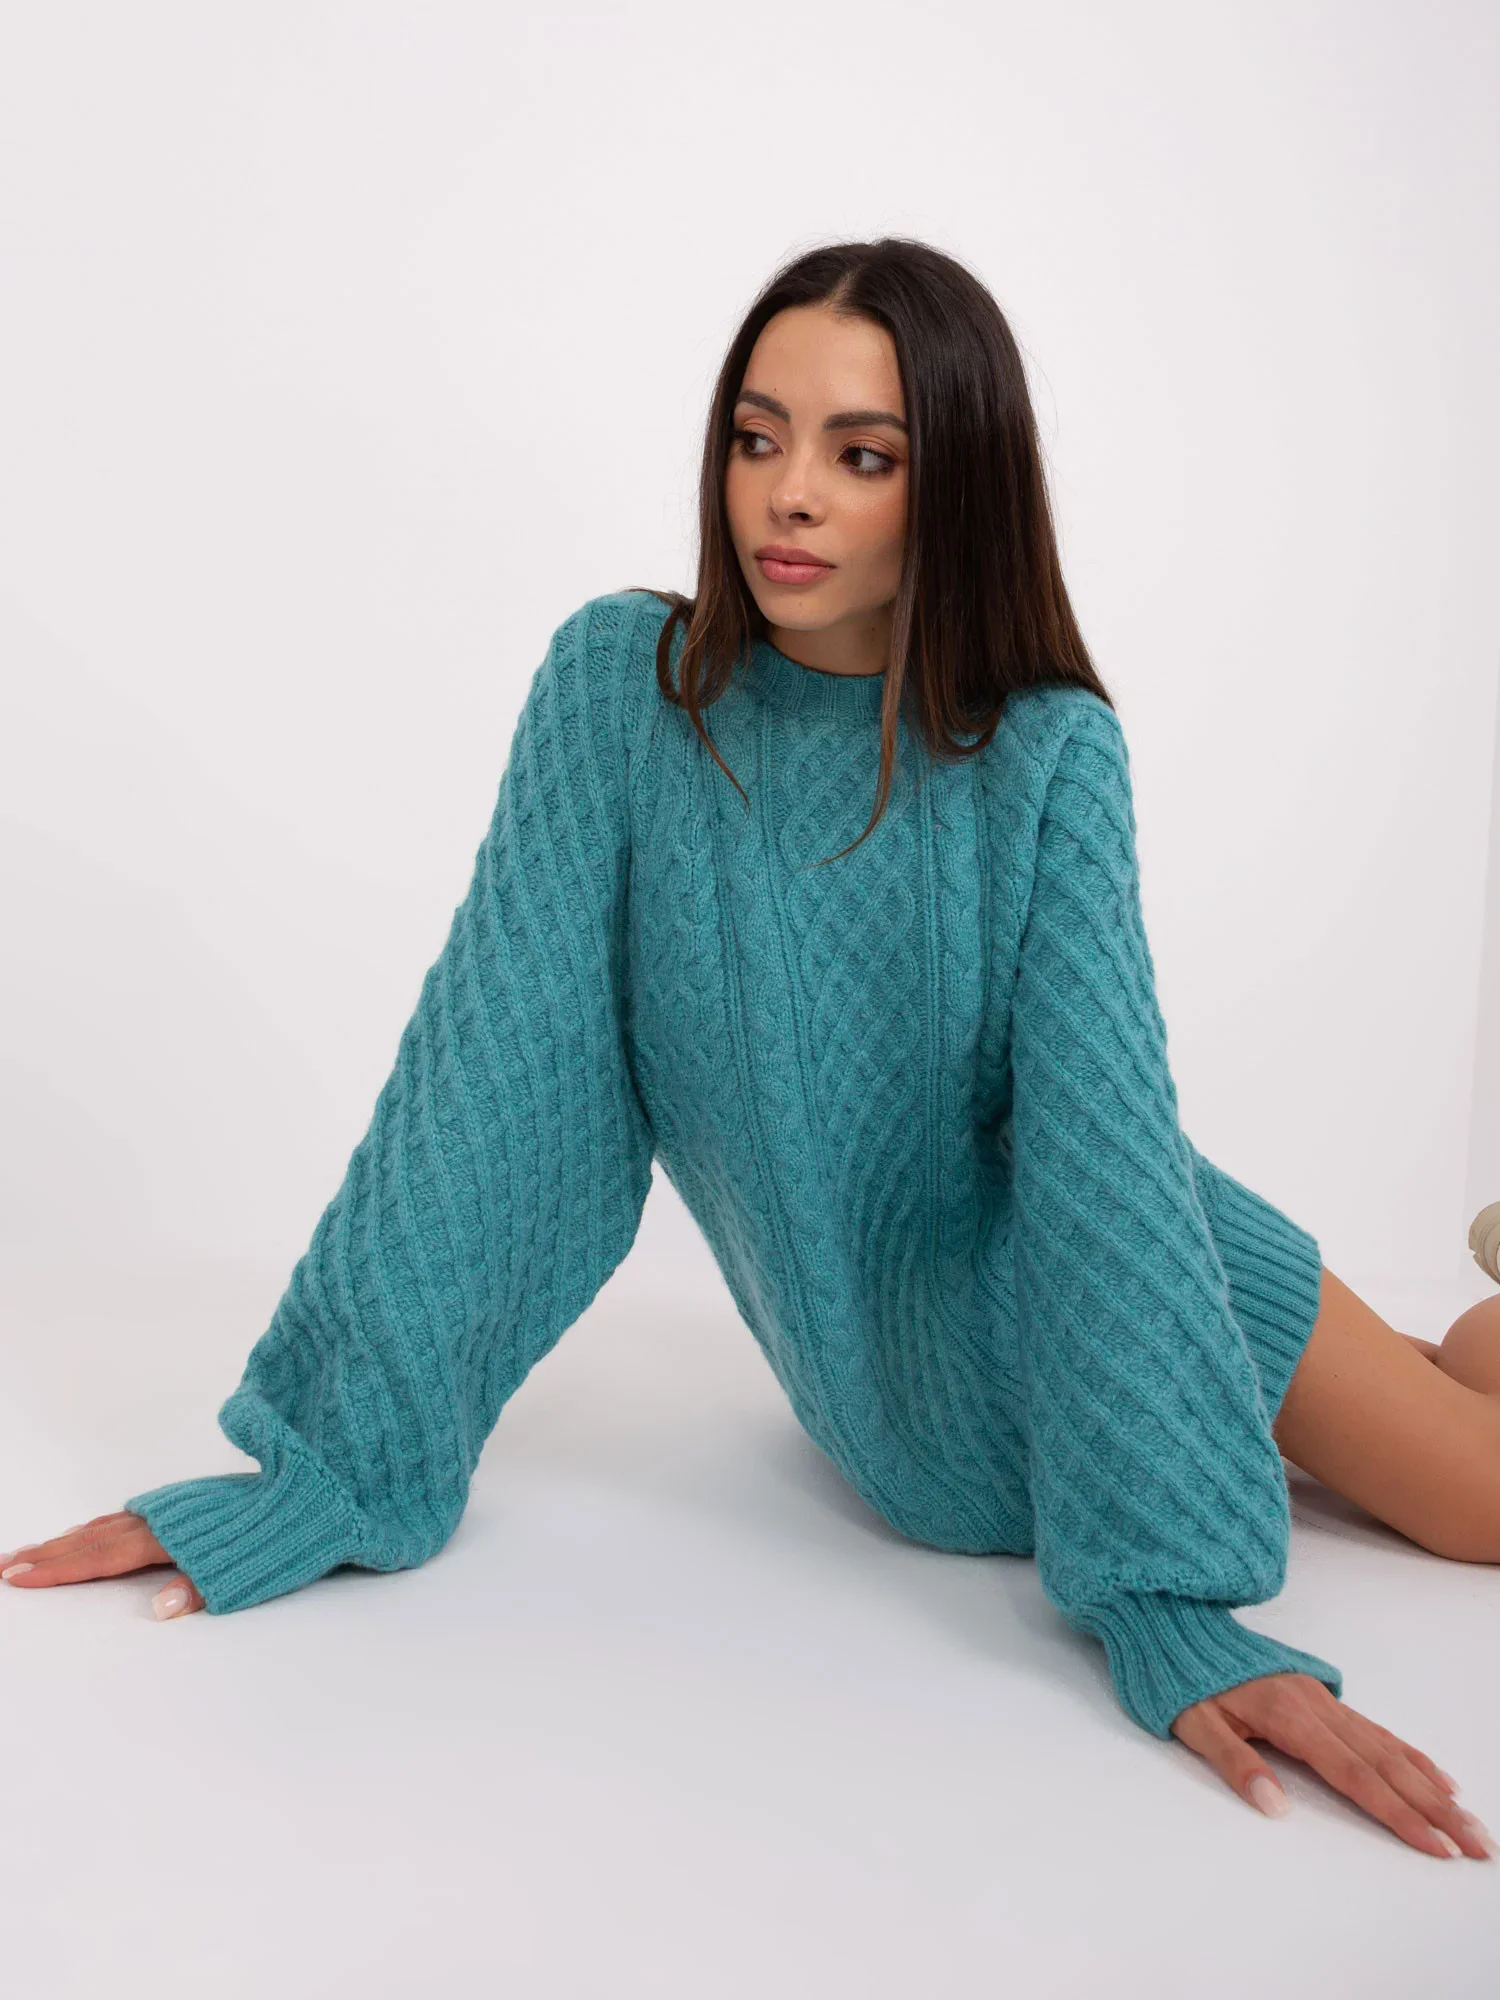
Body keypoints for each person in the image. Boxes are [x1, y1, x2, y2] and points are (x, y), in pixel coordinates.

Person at [5, 237, 1496, 1863]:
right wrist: (336, 1470)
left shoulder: (1046, 752)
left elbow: (1108, 1149)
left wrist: (1167, 1596)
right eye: (757, 436)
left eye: (864, 456)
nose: (788, 494)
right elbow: (490, 1080)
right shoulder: (623, 697)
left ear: (957, 486)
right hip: (893, 1398)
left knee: (1479, 1505)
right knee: (1435, 1395)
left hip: (1139, 1281)